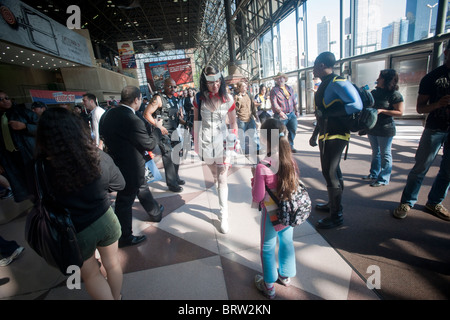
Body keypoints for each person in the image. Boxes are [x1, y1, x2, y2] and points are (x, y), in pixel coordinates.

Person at [35, 107, 125, 300]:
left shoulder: (40, 167)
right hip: (106, 220)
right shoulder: (96, 156)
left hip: (74, 232)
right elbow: (120, 184)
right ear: (77, 130)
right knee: (113, 264)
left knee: (91, 274)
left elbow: (36, 199)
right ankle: (117, 297)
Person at [100, 86, 164, 247]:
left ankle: (155, 212)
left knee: (141, 187)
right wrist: (157, 128)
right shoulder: (132, 119)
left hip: (116, 161)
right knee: (125, 200)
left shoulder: (108, 114)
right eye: (140, 99)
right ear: (136, 100)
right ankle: (124, 236)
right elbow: (148, 144)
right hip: (131, 166)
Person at [393, 42, 450, 221]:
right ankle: (407, 201)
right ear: (447, 52)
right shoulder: (432, 78)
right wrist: (438, 104)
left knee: (448, 170)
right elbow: (420, 108)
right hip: (434, 128)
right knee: (420, 167)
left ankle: (434, 202)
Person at [313, 52, 363, 229]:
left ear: (321, 65)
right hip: (327, 134)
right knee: (334, 171)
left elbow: (357, 104)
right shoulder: (326, 83)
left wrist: (328, 114)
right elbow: (321, 112)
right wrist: (315, 134)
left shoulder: (337, 82)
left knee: (330, 172)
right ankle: (333, 206)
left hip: (336, 134)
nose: (312, 68)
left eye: (314, 65)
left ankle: (337, 216)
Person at [251, 118, 297, 299]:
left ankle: (268, 285)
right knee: (287, 242)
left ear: (264, 139)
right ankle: (285, 275)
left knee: (267, 247)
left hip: (271, 214)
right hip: (289, 211)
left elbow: (258, 196)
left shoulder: (263, 166)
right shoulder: (290, 161)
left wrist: (254, 180)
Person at [193, 66, 239, 234]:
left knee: (222, 177)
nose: (215, 85)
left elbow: (233, 122)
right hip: (206, 142)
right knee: (215, 175)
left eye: (218, 81)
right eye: (211, 82)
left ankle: (223, 214)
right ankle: (219, 188)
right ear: (205, 82)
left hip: (223, 141)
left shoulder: (228, 98)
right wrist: (196, 144)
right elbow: (196, 121)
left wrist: (233, 141)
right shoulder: (198, 98)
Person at [143, 78, 185, 192]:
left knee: (177, 154)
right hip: (163, 132)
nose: (172, 89)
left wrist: (185, 122)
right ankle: (172, 184)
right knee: (168, 155)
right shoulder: (158, 99)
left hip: (174, 130)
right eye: (170, 86)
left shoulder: (175, 99)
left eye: (174, 87)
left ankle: (175, 177)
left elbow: (176, 117)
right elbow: (146, 114)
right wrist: (158, 127)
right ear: (164, 86)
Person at [363, 69, 404, 187]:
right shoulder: (375, 93)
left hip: (386, 128)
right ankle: (374, 174)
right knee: (375, 152)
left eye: (380, 78)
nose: (377, 80)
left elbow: (400, 112)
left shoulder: (395, 95)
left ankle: (383, 178)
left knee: (385, 153)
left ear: (387, 80)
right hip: (373, 127)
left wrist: (383, 111)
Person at [0, 90, 39, 203]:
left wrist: (25, 126)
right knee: (25, 185)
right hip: (10, 158)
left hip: (29, 154)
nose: (5, 101)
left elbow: (43, 127)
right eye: (1, 99)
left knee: (38, 181)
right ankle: (37, 206)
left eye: (6, 98)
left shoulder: (23, 112)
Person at [270, 72, 299, 153]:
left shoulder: (289, 88)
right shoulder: (274, 90)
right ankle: (278, 148)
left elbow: (294, 100)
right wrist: (280, 112)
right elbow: (274, 103)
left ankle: (290, 145)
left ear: (285, 79)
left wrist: (296, 111)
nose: (280, 80)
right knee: (280, 132)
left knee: (293, 129)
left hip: (291, 113)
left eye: (281, 78)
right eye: (278, 79)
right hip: (280, 115)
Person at [234, 81, 260, 154]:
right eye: (243, 86)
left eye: (245, 86)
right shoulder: (236, 97)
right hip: (242, 119)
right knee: (242, 136)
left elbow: (252, 106)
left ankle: (257, 148)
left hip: (250, 117)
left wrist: (255, 116)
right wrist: (238, 100)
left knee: (254, 134)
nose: (245, 88)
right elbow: (236, 108)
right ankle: (243, 149)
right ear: (239, 88)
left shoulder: (249, 95)